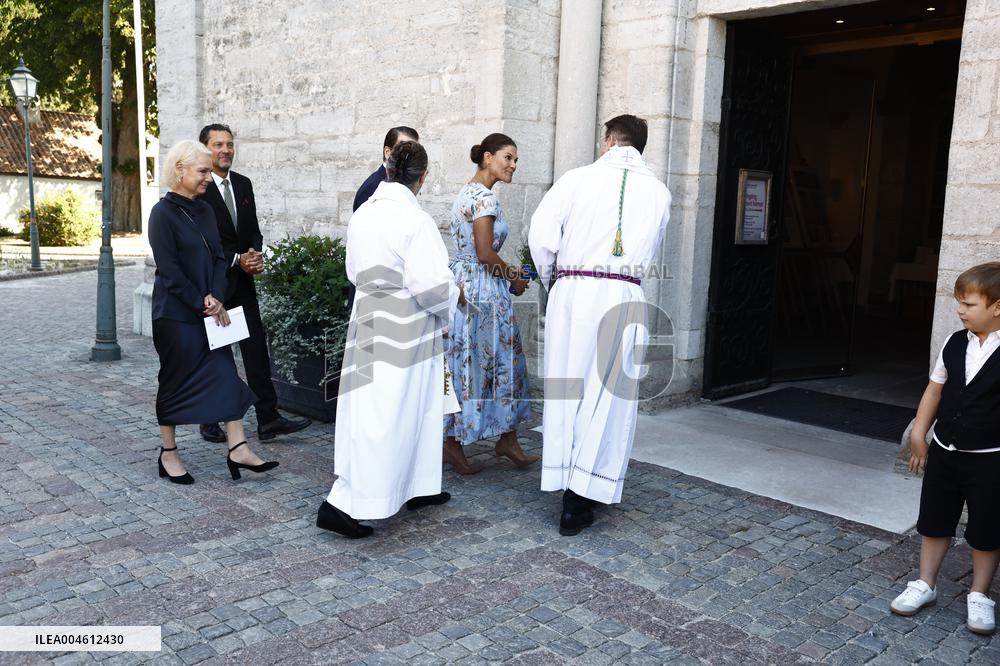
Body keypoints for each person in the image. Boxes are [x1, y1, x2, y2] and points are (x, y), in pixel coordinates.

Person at [529, 114, 671, 536]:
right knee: (608, 394)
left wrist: (554, 278)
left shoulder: (575, 179)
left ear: (608, 141)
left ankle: (563, 479)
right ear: (639, 147)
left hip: (572, 291)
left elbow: (541, 235)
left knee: (567, 385)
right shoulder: (659, 192)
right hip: (623, 293)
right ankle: (581, 496)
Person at [316, 141, 461, 538]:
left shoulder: (364, 214)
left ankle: (417, 486)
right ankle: (343, 503)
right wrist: (453, 295)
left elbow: (352, 270)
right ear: (423, 177)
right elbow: (430, 285)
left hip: (368, 315)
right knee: (387, 414)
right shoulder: (415, 221)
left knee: (387, 409)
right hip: (406, 321)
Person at [148, 139, 278, 484]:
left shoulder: (205, 209)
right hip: (176, 315)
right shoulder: (162, 214)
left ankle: (238, 447)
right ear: (180, 170)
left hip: (213, 309)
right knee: (174, 381)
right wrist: (202, 300)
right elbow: (170, 270)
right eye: (202, 171)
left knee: (224, 372)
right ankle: (169, 452)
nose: (209, 177)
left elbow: (221, 258)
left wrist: (217, 296)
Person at [889, 262, 1000, 636]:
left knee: (987, 527)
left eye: (968, 304)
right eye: (959, 303)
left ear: (997, 306)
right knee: (934, 518)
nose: (960, 310)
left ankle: (980, 593)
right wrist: (920, 432)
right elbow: (935, 389)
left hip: (990, 458)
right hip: (945, 450)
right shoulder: (955, 343)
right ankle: (925, 583)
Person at [196, 124, 311, 444]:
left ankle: (268, 418)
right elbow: (204, 240)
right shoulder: (200, 188)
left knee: (256, 351)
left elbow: (253, 229)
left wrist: (254, 254)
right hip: (216, 285)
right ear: (205, 149)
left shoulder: (243, 184)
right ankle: (209, 419)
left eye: (230, 144)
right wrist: (236, 258)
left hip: (244, 283)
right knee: (218, 353)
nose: (226, 150)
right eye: (218, 144)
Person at [443, 133, 535, 475]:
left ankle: (496, 439)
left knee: (469, 362)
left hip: (466, 284)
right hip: (482, 292)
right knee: (497, 363)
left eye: (515, 160)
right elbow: (485, 254)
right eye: (507, 157)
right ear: (487, 157)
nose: (512, 165)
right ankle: (462, 443)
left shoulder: (466, 194)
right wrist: (514, 276)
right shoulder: (485, 200)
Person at [346, 126, 420, 312]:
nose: (409, 157)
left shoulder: (398, 184)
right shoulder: (373, 188)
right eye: (403, 149)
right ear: (387, 152)